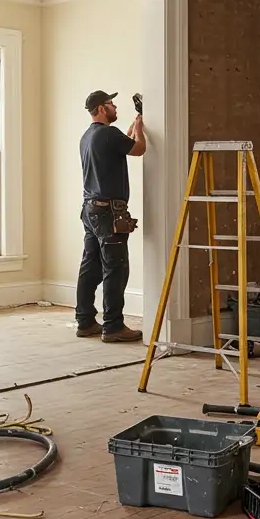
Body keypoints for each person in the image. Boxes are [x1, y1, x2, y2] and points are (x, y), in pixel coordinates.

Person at [75, 89, 146, 342]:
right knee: (115, 268)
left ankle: (85, 322)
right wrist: (140, 128)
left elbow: (122, 143)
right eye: (111, 104)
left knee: (90, 266)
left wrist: (134, 126)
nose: (115, 107)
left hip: (90, 210)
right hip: (108, 212)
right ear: (102, 109)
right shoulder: (108, 134)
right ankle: (113, 326)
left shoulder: (88, 136)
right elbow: (139, 148)